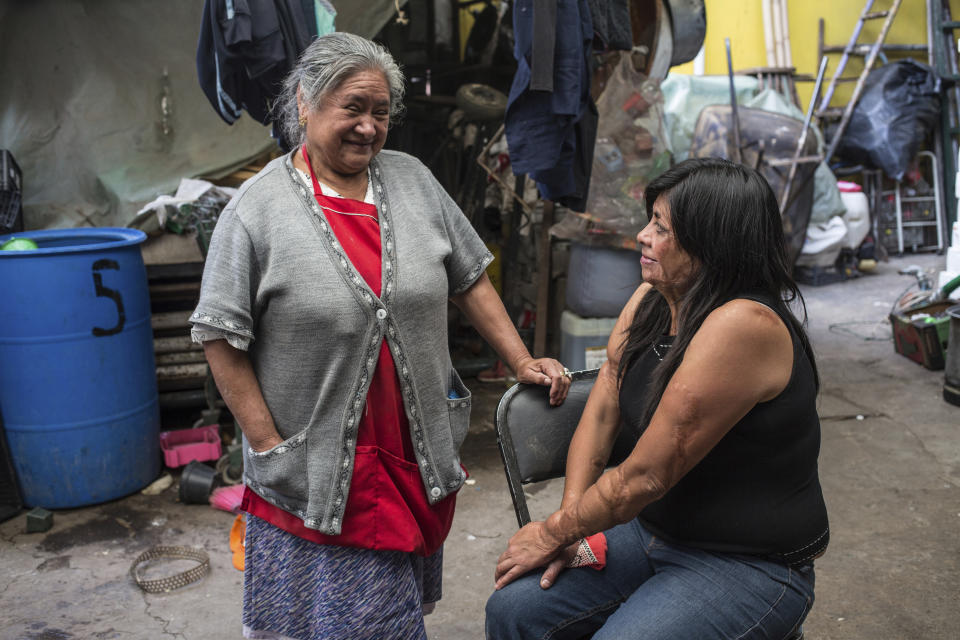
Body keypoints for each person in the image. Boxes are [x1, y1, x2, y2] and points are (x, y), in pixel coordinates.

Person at [190, 32, 570, 640]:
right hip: (318, 463)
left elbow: (469, 276)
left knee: (368, 618)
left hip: (412, 451)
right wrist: (267, 444)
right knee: (366, 622)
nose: (368, 127)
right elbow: (219, 334)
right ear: (305, 105)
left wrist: (520, 359)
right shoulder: (256, 211)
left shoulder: (413, 180)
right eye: (353, 108)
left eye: (381, 112)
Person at [485, 158, 829, 640]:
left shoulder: (744, 325)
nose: (643, 236)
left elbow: (643, 477)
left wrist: (551, 532)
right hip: (652, 534)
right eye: (651, 220)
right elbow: (605, 403)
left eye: (661, 227)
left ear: (713, 242)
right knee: (514, 610)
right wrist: (571, 526)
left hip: (747, 563)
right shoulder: (654, 297)